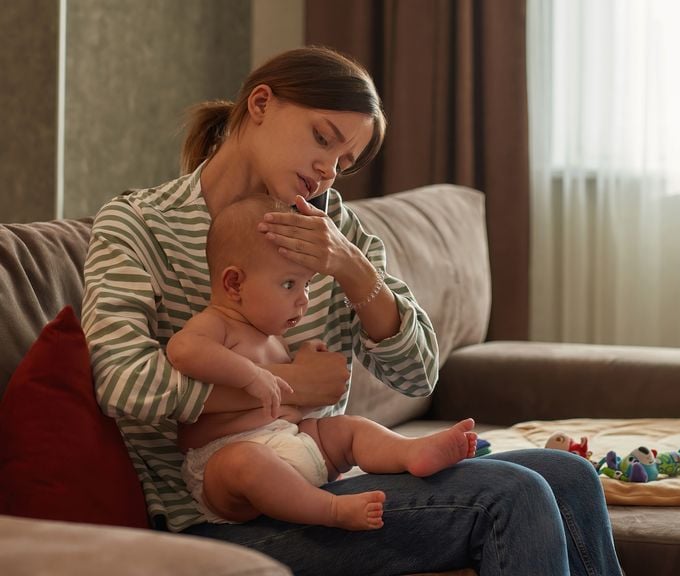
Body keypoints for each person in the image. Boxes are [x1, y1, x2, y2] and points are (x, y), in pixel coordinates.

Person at [82, 45, 623, 575]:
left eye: (345, 161)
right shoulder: (139, 227)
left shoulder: (332, 226)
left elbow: (417, 373)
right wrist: (288, 385)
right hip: (220, 518)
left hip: (321, 477)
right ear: (261, 104)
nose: (327, 170)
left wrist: (351, 266)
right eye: (322, 138)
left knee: (571, 475)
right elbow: (122, 381)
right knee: (514, 493)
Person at [167, 194, 478, 530]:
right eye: (288, 284)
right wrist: (250, 375)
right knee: (247, 462)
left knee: (348, 429)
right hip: (225, 463)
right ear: (234, 283)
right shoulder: (217, 323)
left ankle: (409, 452)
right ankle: (331, 509)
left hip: (293, 442)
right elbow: (182, 350)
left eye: (307, 284)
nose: (302, 299)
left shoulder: (271, 336)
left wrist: (301, 361)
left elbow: (292, 403)